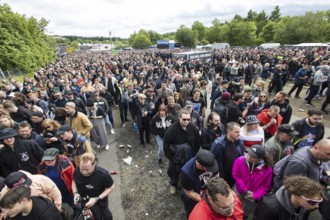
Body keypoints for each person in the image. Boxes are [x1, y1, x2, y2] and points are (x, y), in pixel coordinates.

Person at [254, 175, 325, 220]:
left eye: (319, 201)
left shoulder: (302, 205)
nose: (317, 206)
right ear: (298, 195)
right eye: (313, 202)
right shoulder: (269, 207)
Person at [164, 109, 200, 195]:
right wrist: (171, 158)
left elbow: (198, 141)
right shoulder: (171, 130)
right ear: (179, 118)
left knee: (188, 171)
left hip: (189, 156)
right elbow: (166, 145)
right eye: (184, 119)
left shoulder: (193, 128)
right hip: (175, 157)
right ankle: (173, 184)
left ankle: (186, 185)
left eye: (188, 119)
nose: (186, 121)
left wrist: (194, 154)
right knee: (173, 171)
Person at [232, 144, 273, 220]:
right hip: (239, 191)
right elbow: (236, 176)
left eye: (253, 157)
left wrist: (256, 195)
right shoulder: (240, 160)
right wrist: (245, 190)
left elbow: (265, 186)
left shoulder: (267, 169)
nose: (249, 157)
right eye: (248, 154)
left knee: (246, 212)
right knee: (234, 207)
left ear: (260, 158)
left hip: (252, 196)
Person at [72, 153, 114, 220]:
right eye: (82, 169)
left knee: (105, 217)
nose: (84, 172)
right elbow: (74, 182)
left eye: (87, 169)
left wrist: (96, 199)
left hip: (100, 202)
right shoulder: (76, 171)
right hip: (83, 201)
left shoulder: (103, 174)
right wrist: (75, 193)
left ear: (94, 164)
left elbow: (111, 187)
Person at [181, 149, 219, 218]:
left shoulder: (211, 162)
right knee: (193, 214)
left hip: (207, 192)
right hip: (194, 199)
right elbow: (189, 193)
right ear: (198, 164)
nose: (210, 170)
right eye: (207, 169)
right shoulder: (186, 173)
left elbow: (216, 174)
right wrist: (206, 202)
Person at [210, 122, 244, 187]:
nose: (239, 134)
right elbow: (213, 161)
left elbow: (241, 158)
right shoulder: (218, 144)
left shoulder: (240, 142)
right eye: (236, 132)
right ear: (229, 131)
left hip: (236, 174)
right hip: (223, 176)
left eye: (239, 132)